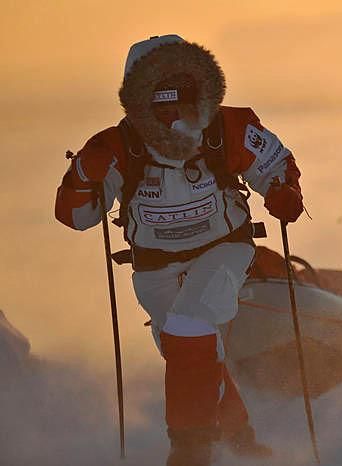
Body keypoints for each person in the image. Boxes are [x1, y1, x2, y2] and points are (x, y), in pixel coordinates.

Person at [55, 35, 304, 466]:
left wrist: (284, 193)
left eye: (180, 98)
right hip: (153, 267)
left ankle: (189, 453)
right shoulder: (113, 147)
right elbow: (79, 218)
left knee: (189, 331)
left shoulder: (228, 128)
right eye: (156, 102)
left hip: (224, 250)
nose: (170, 114)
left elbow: (275, 165)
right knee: (197, 353)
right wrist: (80, 176)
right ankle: (243, 442)